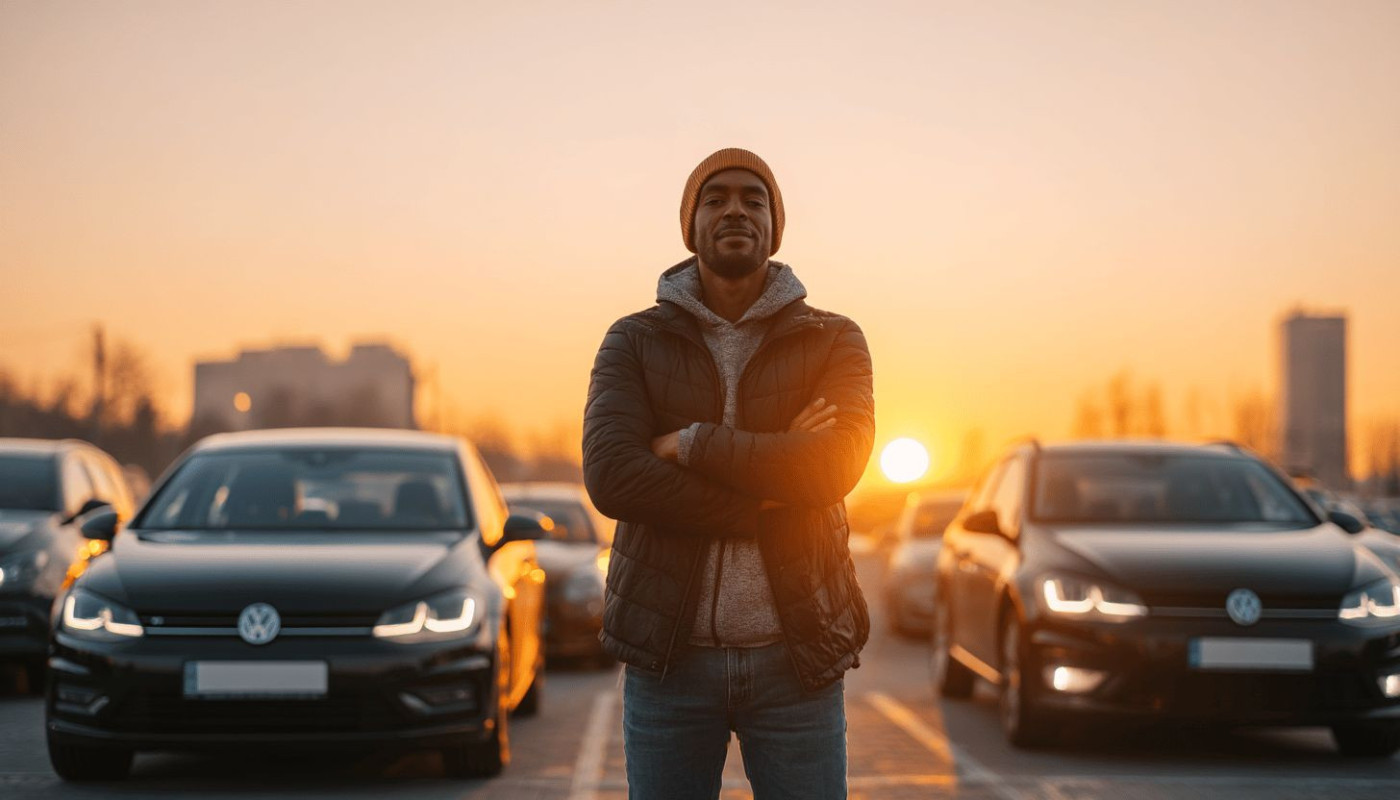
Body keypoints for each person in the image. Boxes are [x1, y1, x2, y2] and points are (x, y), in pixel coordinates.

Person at [583, 148, 875, 800]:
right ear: (691, 225)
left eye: (754, 197)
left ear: (775, 223)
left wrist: (691, 444)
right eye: (715, 198)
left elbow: (834, 468)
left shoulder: (832, 340)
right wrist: (768, 497)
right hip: (669, 660)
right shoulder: (634, 341)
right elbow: (612, 476)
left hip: (798, 658)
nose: (736, 209)